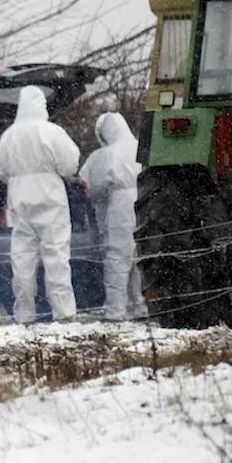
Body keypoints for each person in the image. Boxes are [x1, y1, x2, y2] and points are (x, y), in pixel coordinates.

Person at [0, 85, 81, 324]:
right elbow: (70, 164)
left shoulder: (9, 135)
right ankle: (64, 313)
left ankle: (24, 314)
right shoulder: (51, 132)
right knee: (56, 256)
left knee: (22, 260)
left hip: (19, 200)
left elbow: (1, 171)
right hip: (50, 199)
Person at [79, 112, 148, 321]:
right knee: (139, 257)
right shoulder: (143, 147)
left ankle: (116, 310)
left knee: (117, 257)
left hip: (120, 205)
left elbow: (91, 188)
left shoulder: (104, 155)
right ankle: (140, 306)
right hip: (145, 200)